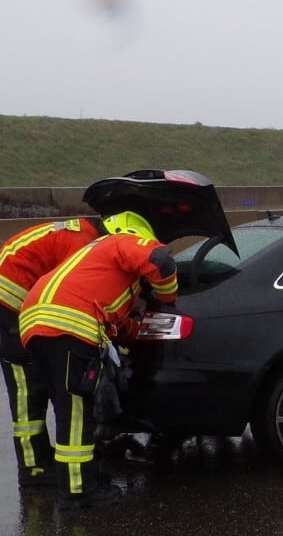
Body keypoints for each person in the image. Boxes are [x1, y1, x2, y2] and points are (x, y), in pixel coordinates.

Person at [19, 210, 180, 506]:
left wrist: (137, 329)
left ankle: (84, 478)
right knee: (76, 411)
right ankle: (79, 491)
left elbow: (115, 322)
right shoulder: (121, 242)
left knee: (69, 408)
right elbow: (161, 261)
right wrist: (167, 300)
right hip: (68, 325)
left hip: (36, 324)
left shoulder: (93, 260)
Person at [0, 215, 110, 486]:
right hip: (7, 299)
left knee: (39, 376)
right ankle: (33, 466)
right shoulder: (83, 244)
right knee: (25, 384)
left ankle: (42, 456)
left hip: (15, 293)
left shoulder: (80, 232)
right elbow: (73, 291)